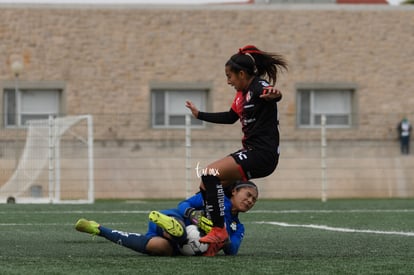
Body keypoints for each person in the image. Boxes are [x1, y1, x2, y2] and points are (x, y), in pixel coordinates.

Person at [185, 45, 287, 255]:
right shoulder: (242, 95)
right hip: (253, 152)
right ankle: (217, 234)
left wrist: (275, 94)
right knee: (207, 184)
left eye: (229, 76)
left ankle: (218, 230)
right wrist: (200, 115)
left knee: (208, 172)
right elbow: (231, 117)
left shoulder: (259, 86)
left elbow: (273, 94)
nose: (228, 81)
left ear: (242, 74)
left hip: (262, 154)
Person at [75, 180, 259, 256]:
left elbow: (232, 250)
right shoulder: (215, 199)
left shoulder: (238, 227)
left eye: (254, 200)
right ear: (234, 191)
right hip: (175, 217)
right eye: (248, 194)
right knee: (179, 233)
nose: (250, 201)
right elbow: (183, 204)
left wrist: (221, 235)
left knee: (159, 248)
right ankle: (172, 228)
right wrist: (193, 216)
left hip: (180, 248)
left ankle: (98, 229)